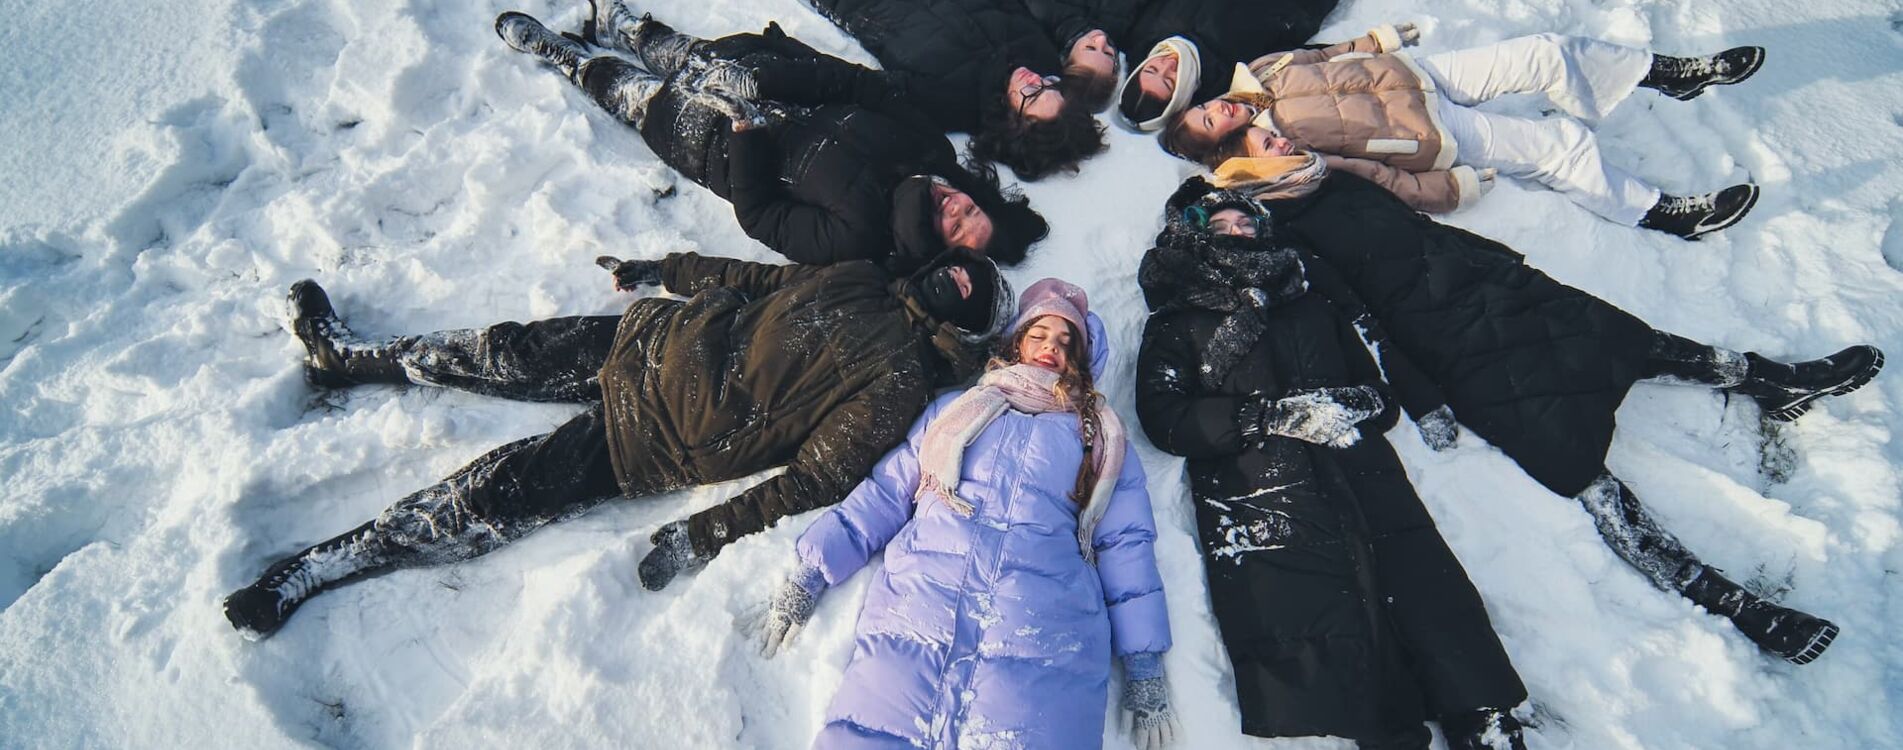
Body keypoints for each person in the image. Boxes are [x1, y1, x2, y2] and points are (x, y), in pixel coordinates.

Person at [1166, 166, 1883, 665]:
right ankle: (1725, 599)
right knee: (1580, 470)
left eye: (1241, 209)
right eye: (1223, 217)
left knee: (1633, 342)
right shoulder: (1292, 261)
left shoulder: (1323, 188)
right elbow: (1362, 327)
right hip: (1455, 350)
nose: (1238, 220)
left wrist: (1496, 263)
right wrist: (1425, 399)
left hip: (1497, 292)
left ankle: (1773, 380)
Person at [222, 249, 1014, 639]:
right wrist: (663, 269)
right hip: (646, 341)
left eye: (971, 290)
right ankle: (348, 357)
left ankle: (321, 567)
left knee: (495, 494)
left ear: (969, 325)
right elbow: (755, 278)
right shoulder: (861, 276)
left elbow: (813, 479)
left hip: (653, 437)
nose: (957, 279)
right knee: (493, 351)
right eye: (960, 268)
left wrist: (703, 531)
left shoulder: (901, 381)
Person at [1134, 189, 1530, 749]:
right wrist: (1270, 416)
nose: (1237, 231)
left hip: (1364, 475)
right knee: (1339, 637)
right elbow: (1165, 418)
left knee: (1426, 598)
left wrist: (1352, 403)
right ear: (1195, 238)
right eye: (1221, 225)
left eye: (1246, 223)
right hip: (1270, 493)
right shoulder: (1179, 323)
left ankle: (1483, 718)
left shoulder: (1310, 306)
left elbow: (1380, 397)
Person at [759, 279, 1177, 749]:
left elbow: (1125, 545)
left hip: (1039, 618)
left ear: (1079, 359)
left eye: (1066, 342)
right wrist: (814, 570)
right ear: (1017, 343)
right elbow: (888, 491)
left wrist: (1144, 663)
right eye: (1039, 335)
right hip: (923, 604)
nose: (1051, 348)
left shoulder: (1098, 437)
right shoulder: (957, 410)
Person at [496, 9, 1048, 272]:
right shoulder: (932, 150)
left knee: (632, 93)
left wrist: (746, 130)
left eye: (957, 228)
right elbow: (859, 84)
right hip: (754, 76)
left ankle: (567, 59)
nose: (955, 207)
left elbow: (761, 216)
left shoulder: (861, 241)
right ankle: (620, 23)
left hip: (709, 139)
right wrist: (763, 79)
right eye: (971, 208)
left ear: (942, 250)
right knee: (673, 48)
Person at [1160, 27, 1768, 239]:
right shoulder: (1276, 153)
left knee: (1546, 51)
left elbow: (1324, 56)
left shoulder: (1262, 72)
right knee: (1560, 149)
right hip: (1435, 130)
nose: (1221, 108)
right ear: (1217, 143)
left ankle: (1663, 74)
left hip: (1421, 74)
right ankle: (1660, 212)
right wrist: (1448, 189)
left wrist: (1376, 42)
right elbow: (1370, 176)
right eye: (1211, 121)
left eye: (1208, 104)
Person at [790, 0, 1108, 179]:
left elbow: (862, 85)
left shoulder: (950, 104)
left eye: (1032, 96)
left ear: (1015, 125)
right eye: (1049, 85)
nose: (1035, 80)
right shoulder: (1040, 56)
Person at [1012, 0, 1338, 124]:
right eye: (1171, 79)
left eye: (1152, 69)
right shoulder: (1233, 69)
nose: (1167, 63)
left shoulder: (1140, 37)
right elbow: (1300, 21)